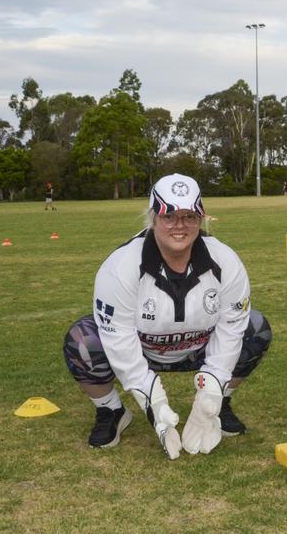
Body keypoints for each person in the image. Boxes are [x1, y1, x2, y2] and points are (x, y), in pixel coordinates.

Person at [60, 173, 272, 457]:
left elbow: (231, 328)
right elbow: (119, 339)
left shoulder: (226, 261)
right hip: (143, 350)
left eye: (189, 216)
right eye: (169, 216)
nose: (180, 225)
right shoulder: (119, 268)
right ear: (153, 217)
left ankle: (219, 404)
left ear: (201, 218)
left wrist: (211, 389)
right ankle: (111, 411)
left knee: (255, 327)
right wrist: (154, 402)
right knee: (83, 340)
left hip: (199, 348)